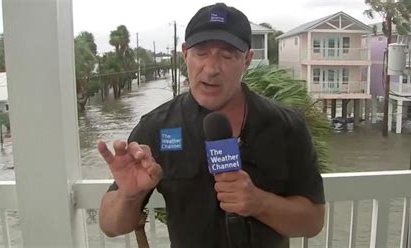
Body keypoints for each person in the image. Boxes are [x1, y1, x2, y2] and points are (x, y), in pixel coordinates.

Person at [97, 3, 325, 248]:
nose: (212, 68)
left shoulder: (286, 125)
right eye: (201, 53)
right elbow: (111, 225)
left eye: (227, 55)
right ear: (185, 53)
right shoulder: (157, 127)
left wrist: (259, 202)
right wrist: (129, 195)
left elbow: (313, 221)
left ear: (247, 60)